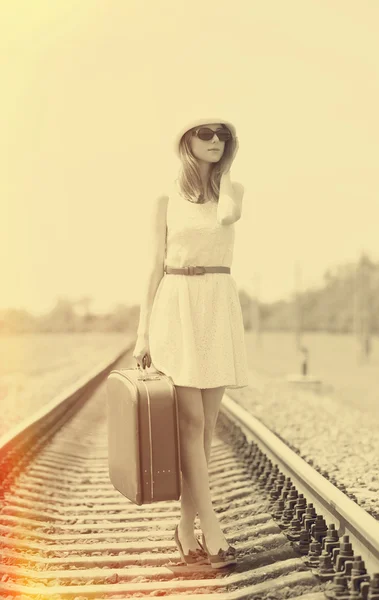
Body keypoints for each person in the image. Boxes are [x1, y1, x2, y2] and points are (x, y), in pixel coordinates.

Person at [133, 117, 249, 569]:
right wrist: (142, 332)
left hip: (218, 304)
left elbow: (225, 216)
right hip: (176, 303)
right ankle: (212, 529)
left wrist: (224, 187)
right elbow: (153, 267)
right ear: (186, 140)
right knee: (190, 422)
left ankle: (185, 531)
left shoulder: (232, 193)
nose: (216, 141)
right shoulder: (165, 200)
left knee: (203, 431)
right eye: (205, 133)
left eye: (223, 135)